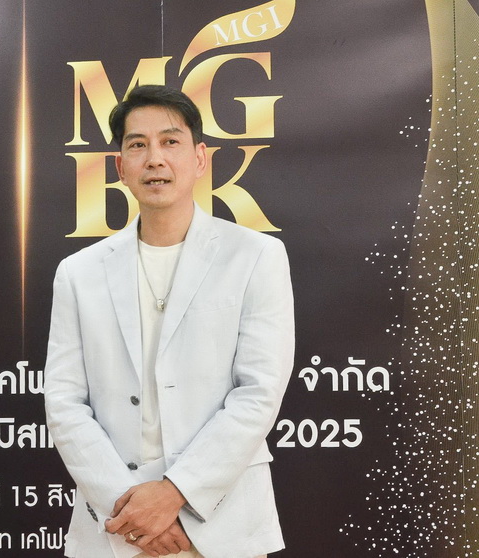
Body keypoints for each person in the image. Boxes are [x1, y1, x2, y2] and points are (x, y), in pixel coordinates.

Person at [43, 85, 294, 558]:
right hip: (114, 529)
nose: (154, 158)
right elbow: (64, 402)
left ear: (199, 158)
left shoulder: (256, 256)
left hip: (222, 525)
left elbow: (259, 391)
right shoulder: (79, 272)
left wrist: (175, 493)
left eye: (170, 141)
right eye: (137, 144)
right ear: (120, 166)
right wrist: (130, 508)